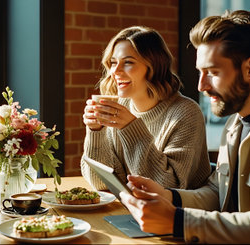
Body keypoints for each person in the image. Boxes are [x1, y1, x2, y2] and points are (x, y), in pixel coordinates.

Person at [119, 10, 250, 244]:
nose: (201, 85)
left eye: (212, 72)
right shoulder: (236, 121)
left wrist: (178, 221)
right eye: (200, 72)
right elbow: (219, 193)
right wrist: (168, 196)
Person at [81, 26, 211, 190]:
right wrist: (95, 131)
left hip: (178, 214)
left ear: (154, 67)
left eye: (128, 62)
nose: (116, 71)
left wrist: (132, 128)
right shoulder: (120, 108)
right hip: (131, 210)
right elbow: (102, 183)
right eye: (113, 62)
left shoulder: (186, 113)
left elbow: (169, 187)